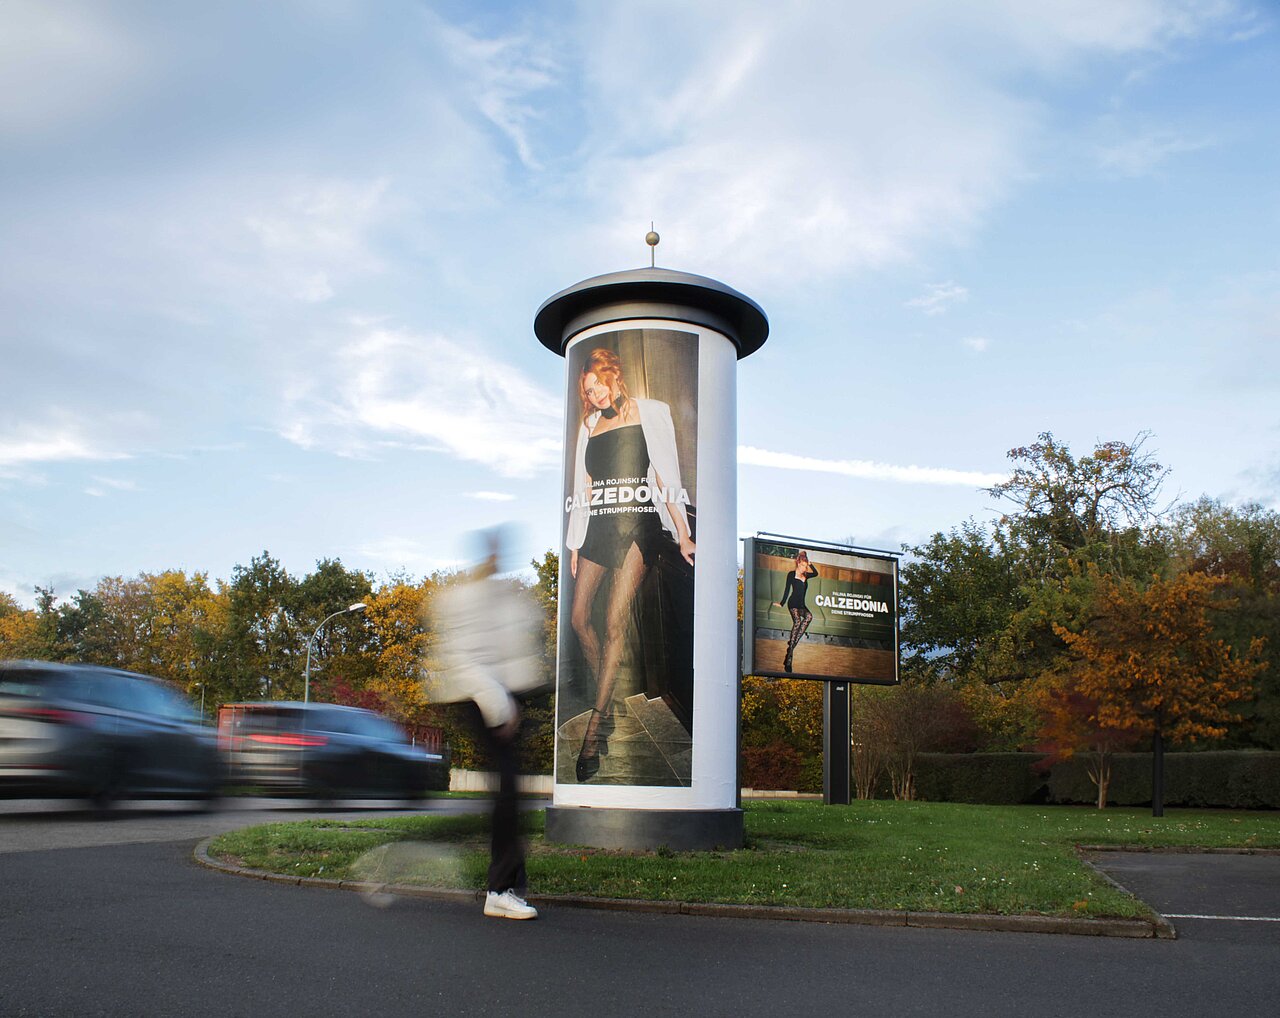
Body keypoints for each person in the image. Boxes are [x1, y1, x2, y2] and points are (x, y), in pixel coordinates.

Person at [565, 347, 695, 782]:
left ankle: (596, 726)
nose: (596, 393)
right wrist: (573, 546)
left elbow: (665, 475)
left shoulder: (652, 412)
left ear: (614, 375)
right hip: (598, 529)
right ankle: (609, 690)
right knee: (580, 619)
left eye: (599, 383)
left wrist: (683, 533)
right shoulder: (588, 425)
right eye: (588, 389)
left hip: (638, 528)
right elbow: (583, 487)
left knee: (615, 621)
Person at [429, 529, 544, 920]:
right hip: (485, 700)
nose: (501, 555)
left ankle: (509, 882)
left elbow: (511, 650)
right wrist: (500, 706)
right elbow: (464, 660)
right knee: (508, 789)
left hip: (507, 695)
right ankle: (500, 890)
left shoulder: (501, 596)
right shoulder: (464, 600)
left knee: (511, 792)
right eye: (495, 549)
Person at [777, 550, 819, 673]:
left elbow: (816, 573)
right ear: (798, 563)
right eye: (802, 566)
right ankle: (789, 660)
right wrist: (781, 603)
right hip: (793, 604)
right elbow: (786, 590)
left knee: (809, 617)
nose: (804, 568)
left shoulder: (806, 575)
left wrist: (810, 564)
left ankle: (791, 644)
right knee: (797, 622)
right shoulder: (791, 574)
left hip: (802, 605)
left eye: (805, 566)